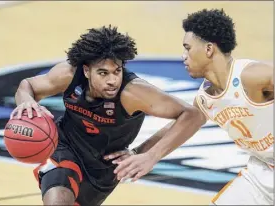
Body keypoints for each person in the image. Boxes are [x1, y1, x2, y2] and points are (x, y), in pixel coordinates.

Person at [10, 25, 205, 205]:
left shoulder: (134, 93)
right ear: (87, 71)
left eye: (117, 71)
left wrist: (147, 154)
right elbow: (27, 86)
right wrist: (27, 101)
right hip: (64, 146)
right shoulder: (69, 75)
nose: (112, 80)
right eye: (103, 73)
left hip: (103, 169)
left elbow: (193, 116)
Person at [106, 9, 274, 205]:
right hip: (261, 172)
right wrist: (140, 154)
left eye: (188, 48)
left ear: (209, 49)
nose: (184, 56)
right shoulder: (206, 98)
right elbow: (182, 125)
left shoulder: (252, 76)